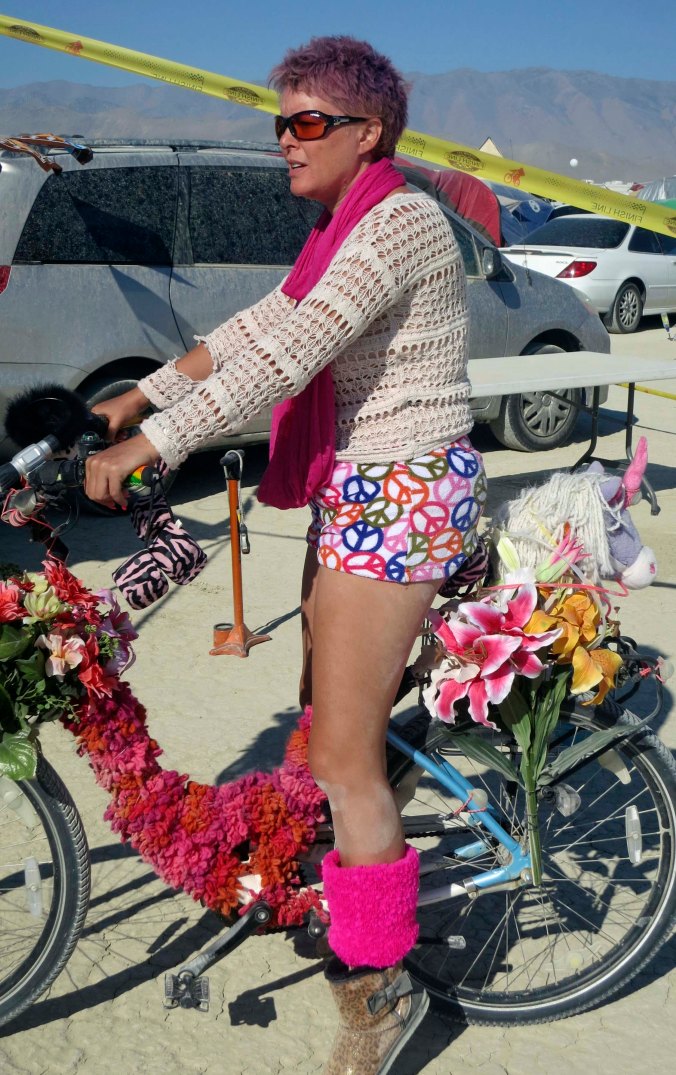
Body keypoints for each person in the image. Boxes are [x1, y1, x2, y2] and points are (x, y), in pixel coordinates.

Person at [85, 35, 486, 1075]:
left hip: (397, 500)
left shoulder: (395, 226)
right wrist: (147, 388)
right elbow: (262, 321)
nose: (286, 142)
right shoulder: (338, 228)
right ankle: (338, 870)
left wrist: (153, 443)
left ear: (370, 134)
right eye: (281, 121)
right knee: (326, 718)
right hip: (364, 489)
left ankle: (379, 985)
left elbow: (290, 356)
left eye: (308, 122)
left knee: (345, 759)